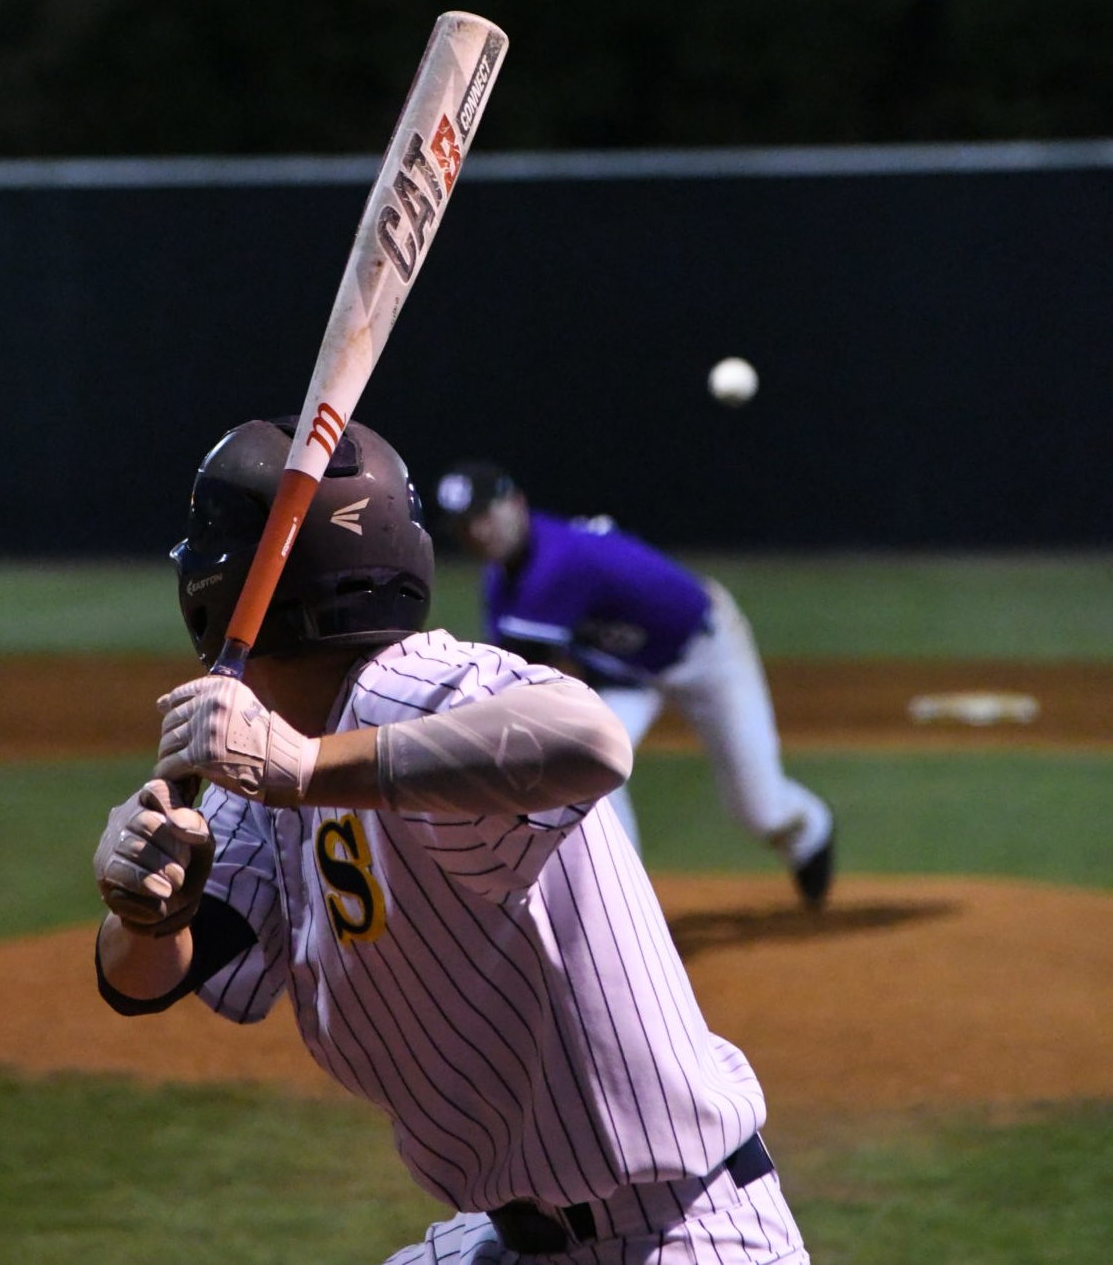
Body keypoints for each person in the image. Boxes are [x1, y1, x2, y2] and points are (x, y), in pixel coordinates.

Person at [92, 415, 811, 1265]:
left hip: (676, 1238)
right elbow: (148, 980)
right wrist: (147, 914)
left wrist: (305, 766)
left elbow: (590, 738)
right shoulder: (267, 765)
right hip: (516, 1238)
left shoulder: (411, 687)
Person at [432, 460, 835, 906]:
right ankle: (625, 900)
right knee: (590, 762)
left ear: (516, 503)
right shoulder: (502, 579)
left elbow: (518, 676)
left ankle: (812, 830)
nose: (478, 532)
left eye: (484, 515)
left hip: (706, 653)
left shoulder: (557, 562)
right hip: (628, 674)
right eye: (464, 525)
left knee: (759, 808)